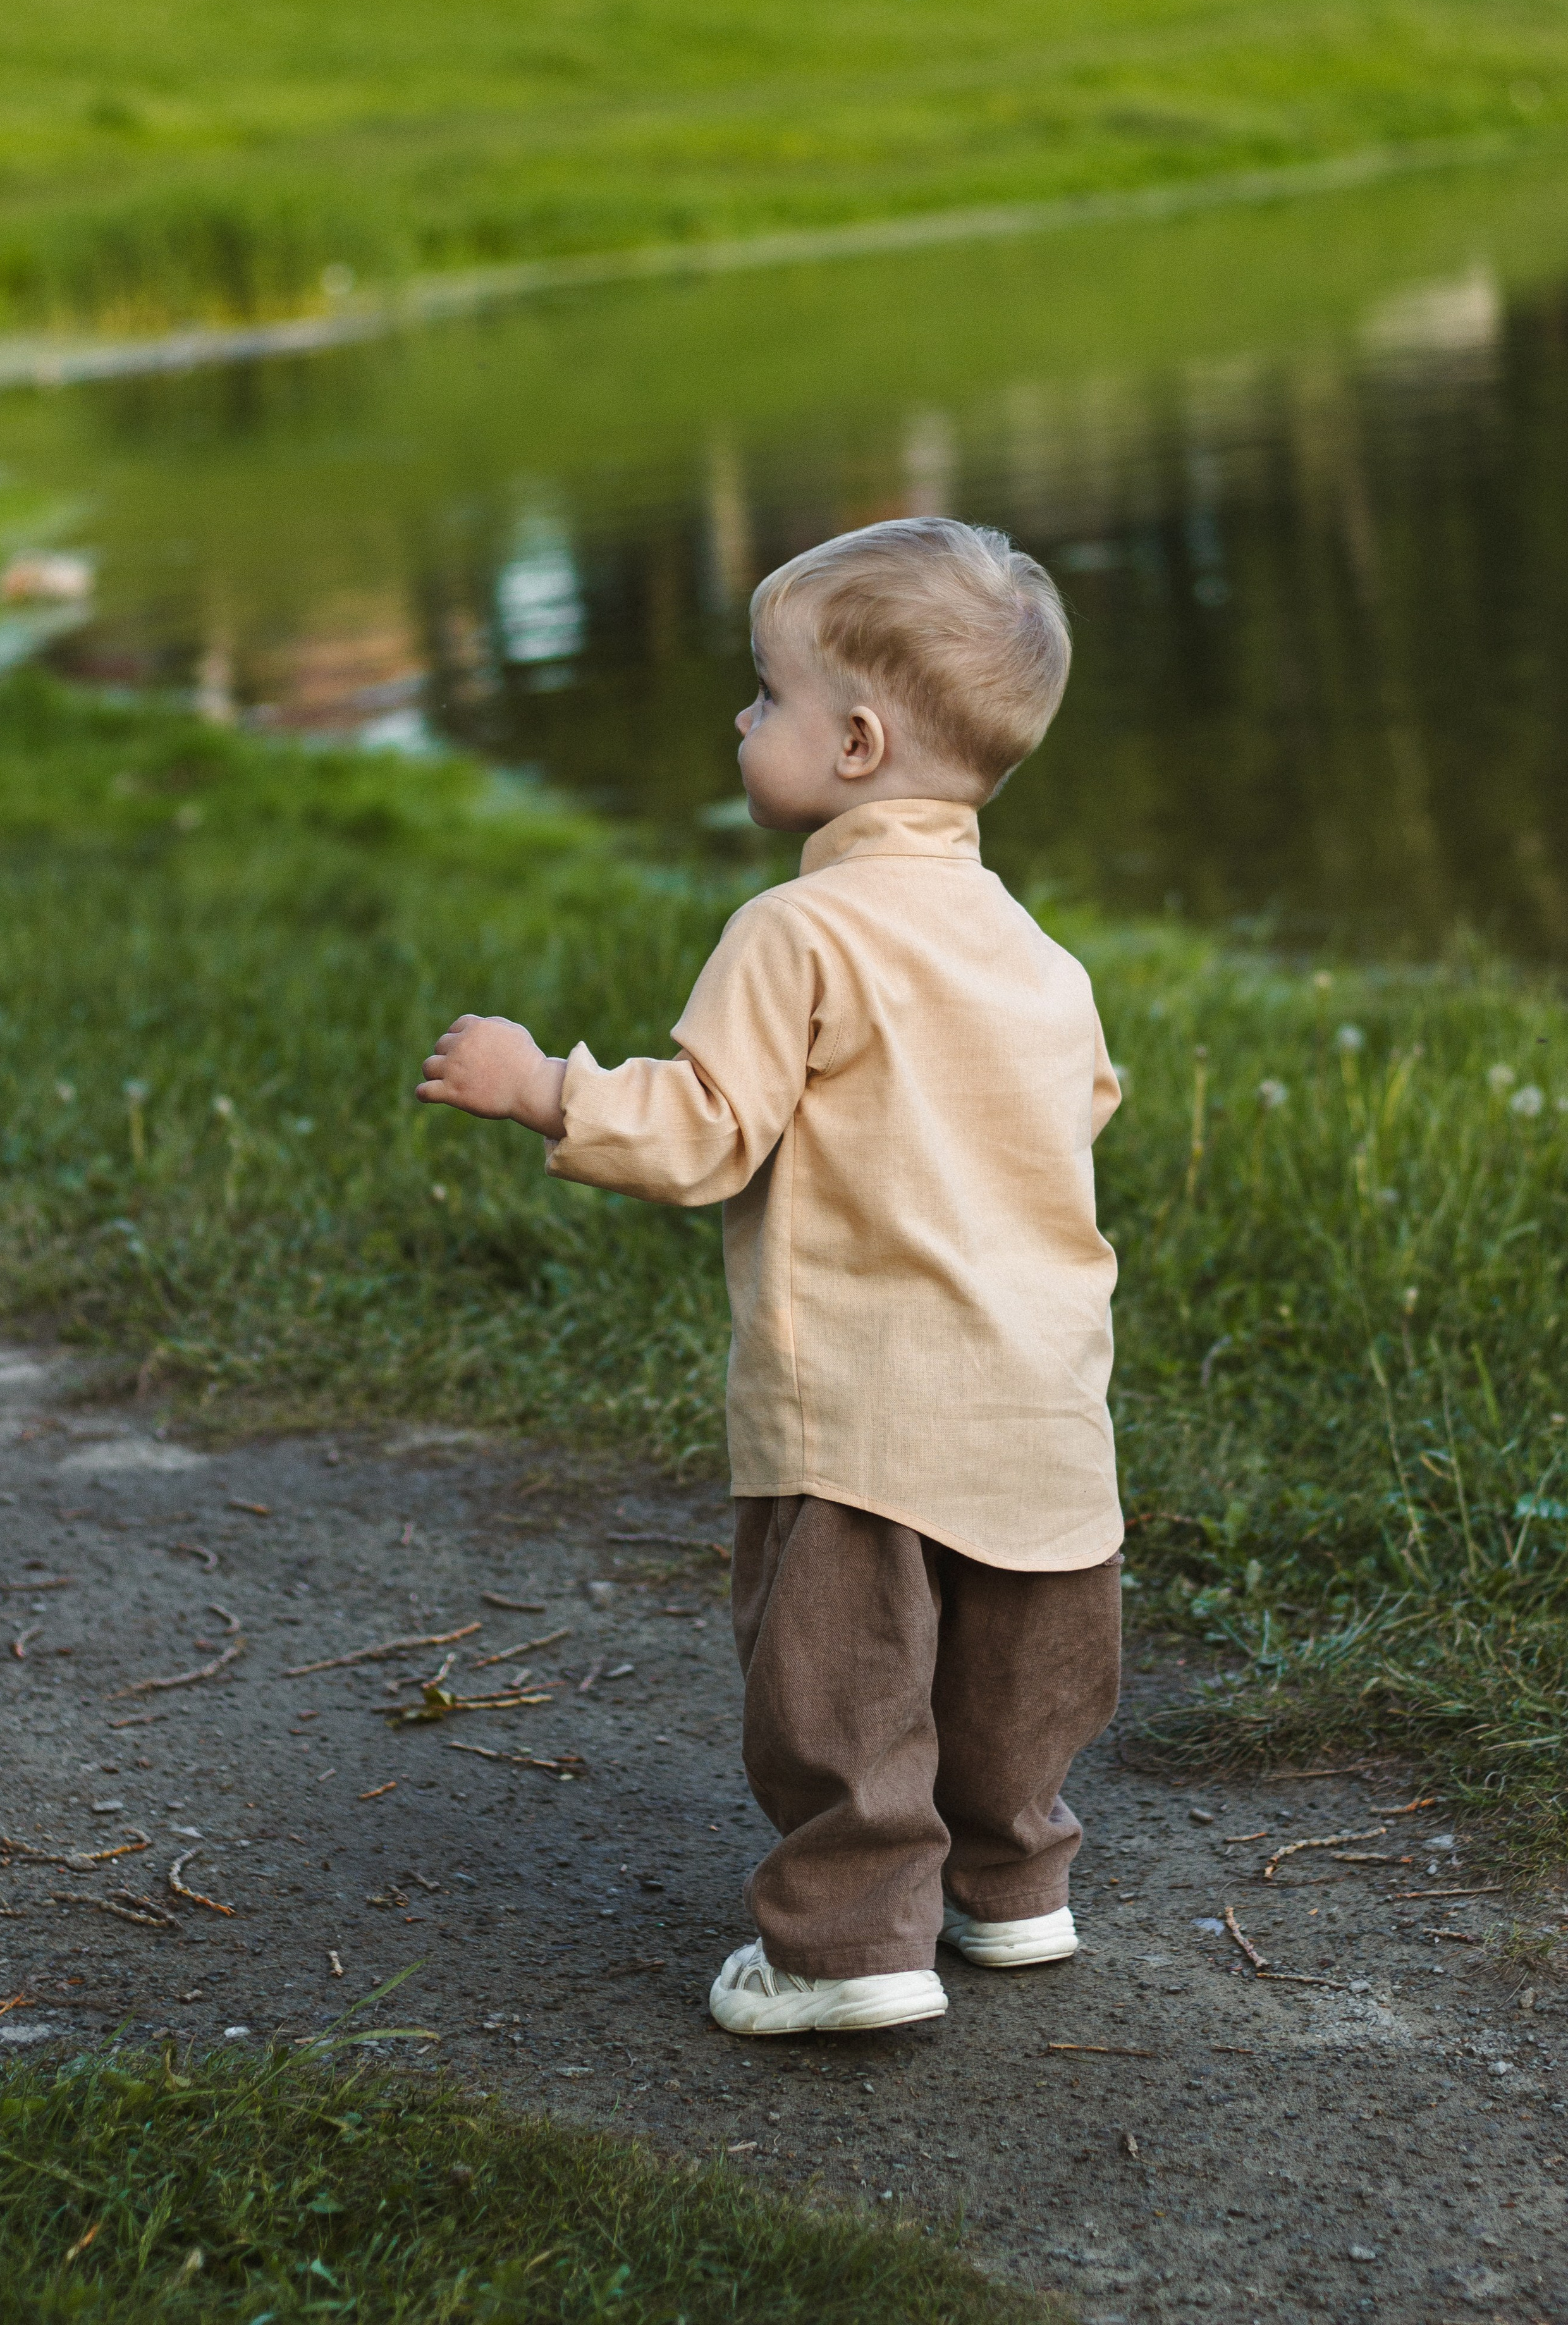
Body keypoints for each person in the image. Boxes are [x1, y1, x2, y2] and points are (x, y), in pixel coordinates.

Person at [417, 517, 1124, 2036]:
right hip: (1045, 1400)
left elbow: (702, 1134)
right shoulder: (1036, 954)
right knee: (1022, 1673)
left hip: (860, 1402)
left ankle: (850, 1944)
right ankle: (1015, 1892)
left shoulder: (794, 929)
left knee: (840, 1680)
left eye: (764, 694)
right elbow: (1084, 1102)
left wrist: (544, 1086)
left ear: (856, 741)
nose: (741, 720)